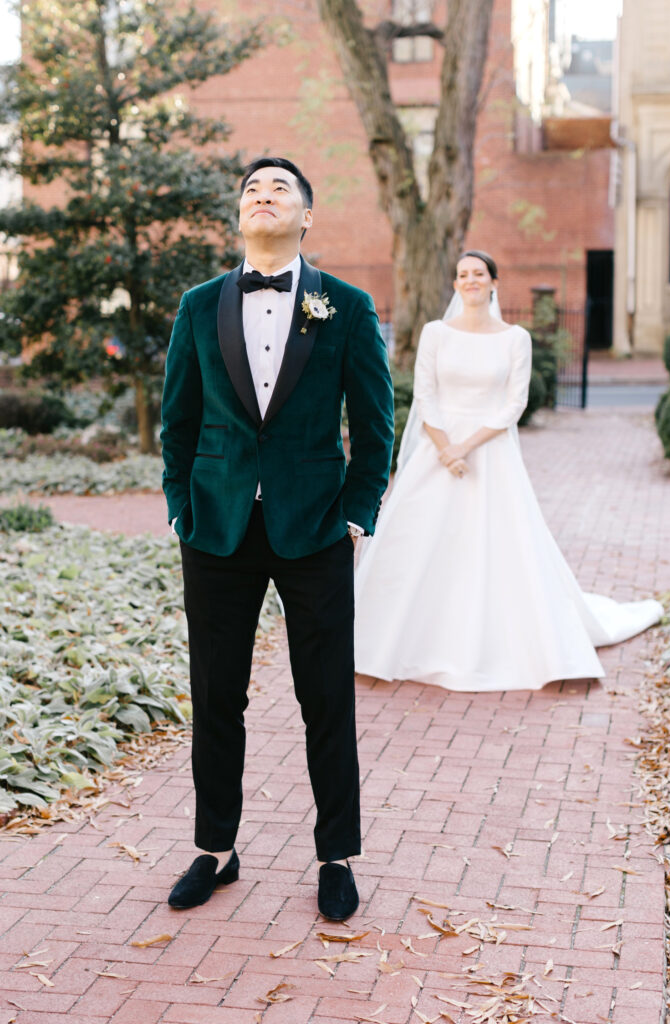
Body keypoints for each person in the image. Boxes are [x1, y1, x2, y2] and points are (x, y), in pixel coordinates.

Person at [160, 157, 394, 920]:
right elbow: (178, 424)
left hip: (317, 527)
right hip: (217, 530)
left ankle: (336, 855)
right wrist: (179, 509)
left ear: (307, 216)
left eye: (279, 189)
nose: (263, 197)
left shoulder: (347, 307)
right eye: (252, 189)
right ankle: (216, 849)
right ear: (240, 215)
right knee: (215, 696)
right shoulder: (198, 306)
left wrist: (357, 512)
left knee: (324, 697)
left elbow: (374, 424)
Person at [354, 250, 662, 692]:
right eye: (463, 275)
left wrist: (465, 447)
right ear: (456, 285)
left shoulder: (515, 337)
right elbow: (426, 394)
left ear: (494, 282)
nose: (471, 281)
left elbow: (514, 403)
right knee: (418, 541)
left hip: (490, 451)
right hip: (436, 451)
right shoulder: (435, 333)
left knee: (498, 544)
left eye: (479, 274)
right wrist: (444, 450)